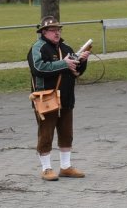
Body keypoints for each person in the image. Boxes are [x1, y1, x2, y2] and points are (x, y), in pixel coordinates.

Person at [27, 16, 89, 181]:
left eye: (58, 29)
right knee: (46, 134)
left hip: (67, 97)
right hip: (46, 98)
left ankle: (66, 167)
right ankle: (46, 168)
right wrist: (63, 63)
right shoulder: (37, 48)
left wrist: (82, 61)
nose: (57, 33)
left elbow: (76, 71)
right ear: (44, 32)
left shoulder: (66, 47)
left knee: (66, 133)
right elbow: (39, 68)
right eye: (53, 30)